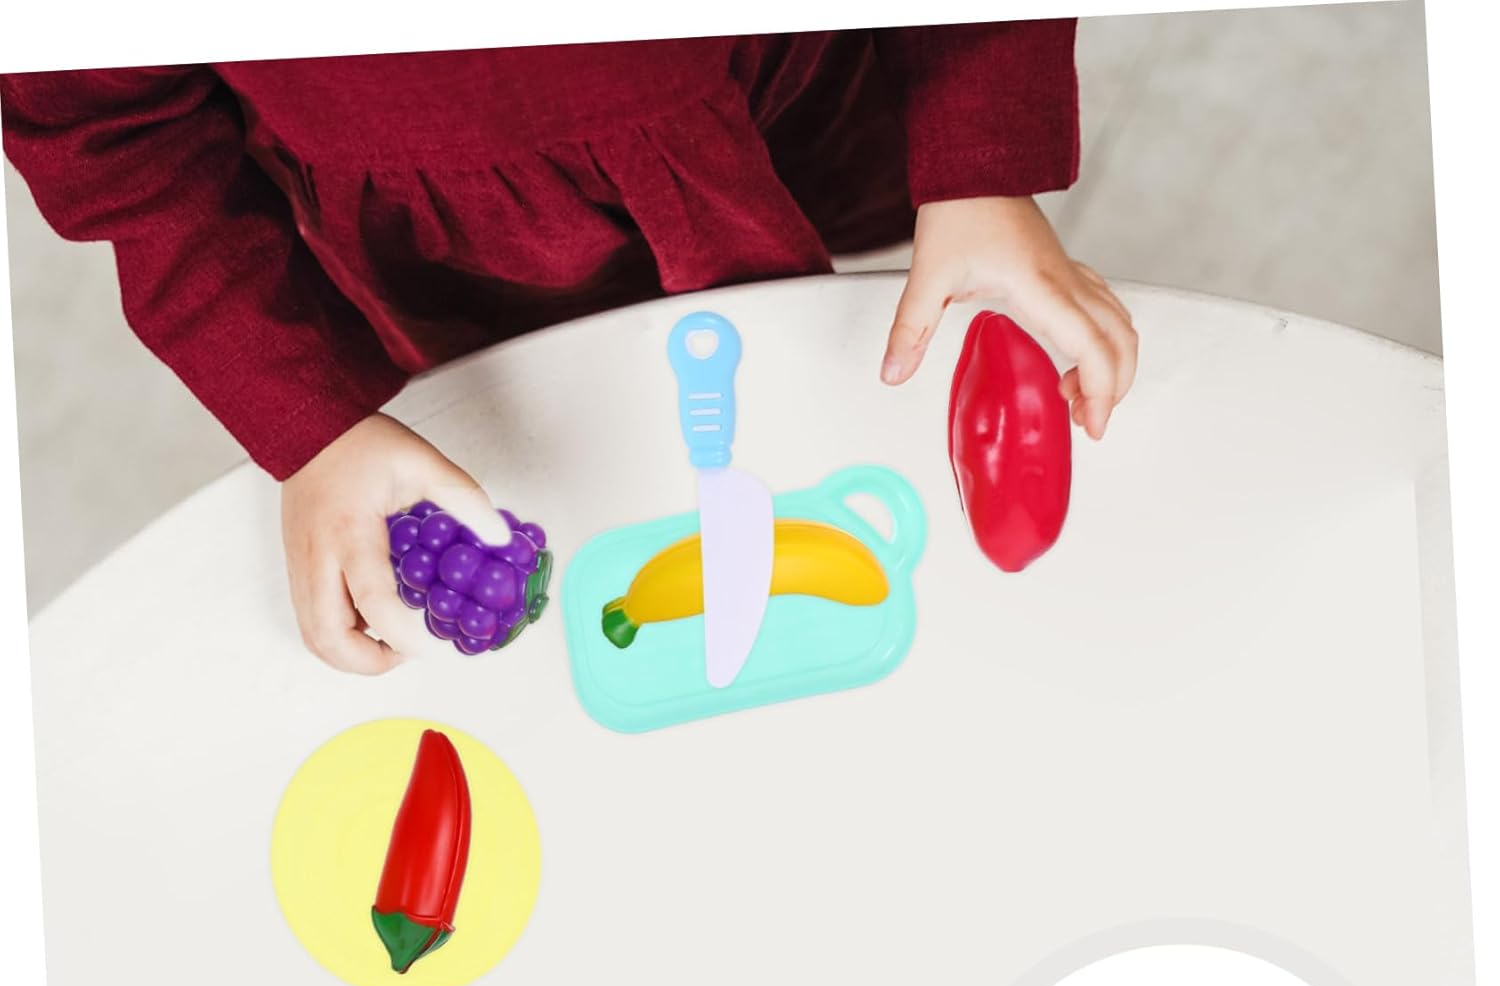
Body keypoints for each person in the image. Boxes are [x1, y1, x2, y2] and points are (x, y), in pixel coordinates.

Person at [1, 24, 1136, 673]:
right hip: (447, 246)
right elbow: (112, 136)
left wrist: (979, 156)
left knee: (829, 262)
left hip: (774, 101)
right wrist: (306, 417)